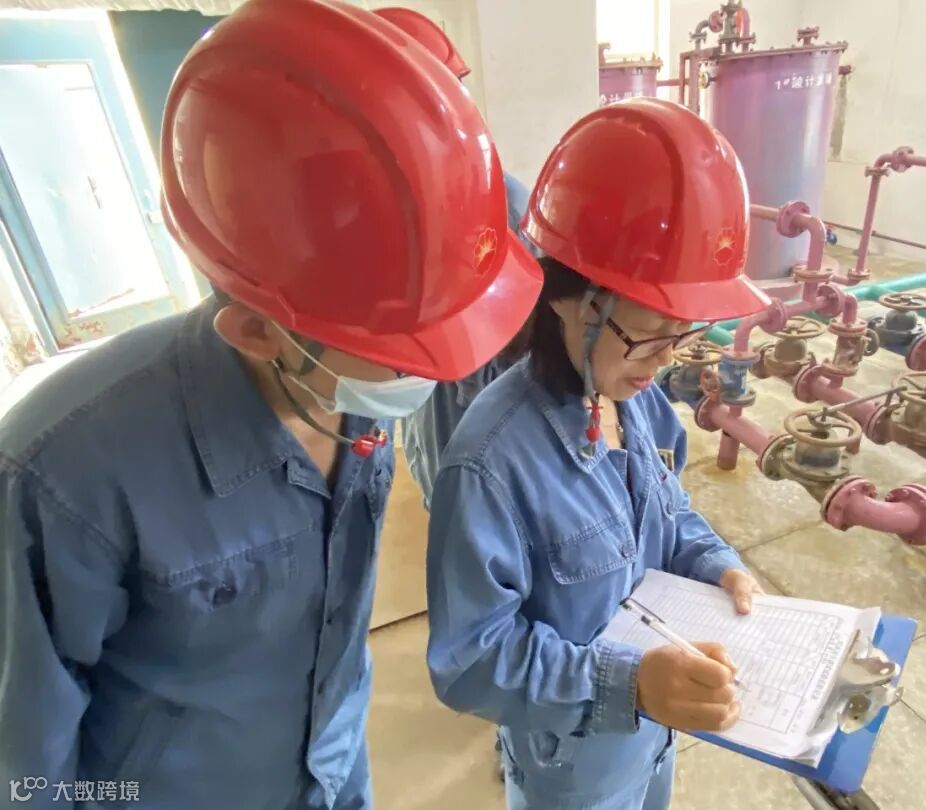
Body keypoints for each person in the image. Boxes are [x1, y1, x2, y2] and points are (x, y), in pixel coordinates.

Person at [0, 2, 541, 808]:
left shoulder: (341, 388)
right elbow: (26, 772)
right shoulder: (62, 482)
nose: (434, 373)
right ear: (258, 330)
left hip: (336, 775)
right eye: (404, 350)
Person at [424, 98, 770, 810]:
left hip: (652, 739)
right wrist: (629, 685)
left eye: (682, 335)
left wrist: (719, 564)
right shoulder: (490, 464)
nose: (664, 359)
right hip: (571, 770)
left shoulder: (636, 398)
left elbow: (670, 514)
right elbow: (470, 659)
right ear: (568, 299)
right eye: (650, 334)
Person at [373, 6, 543, 506]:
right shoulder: (378, 212)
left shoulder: (503, 204)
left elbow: (533, 336)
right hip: (426, 410)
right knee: (445, 490)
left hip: (488, 415)